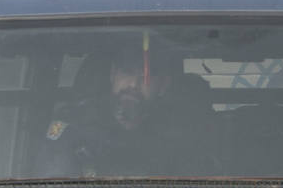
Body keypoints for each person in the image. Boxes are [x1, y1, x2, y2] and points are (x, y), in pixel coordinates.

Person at [37, 36, 217, 178]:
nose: (133, 84)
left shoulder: (181, 133)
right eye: (127, 72)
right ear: (113, 74)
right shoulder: (73, 126)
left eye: (145, 78)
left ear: (163, 85)